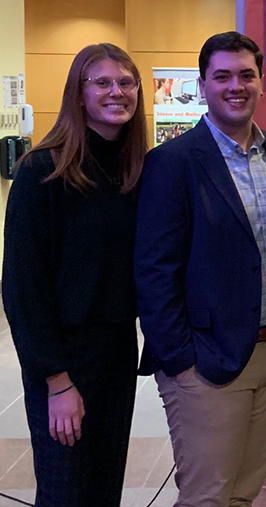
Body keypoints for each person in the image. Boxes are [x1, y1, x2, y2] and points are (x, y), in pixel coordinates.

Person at [134, 31, 266, 507]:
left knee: (243, 495)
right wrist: (180, 361)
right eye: (221, 76)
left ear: (262, 82)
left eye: (246, 75)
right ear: (202, 85)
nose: (235, 85)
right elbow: (153, 270)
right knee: (207, 498)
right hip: (205, 362)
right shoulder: (172, 162)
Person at [2, 43, 147, 507]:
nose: (116, 92)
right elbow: (23, 289)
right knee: (66, 492)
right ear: (78, 93)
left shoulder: (137, 171)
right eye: (101, 82)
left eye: (126, 82)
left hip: (116, 356)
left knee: (104, 490)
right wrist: (57, 381)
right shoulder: (41, 171)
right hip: (63, 362)